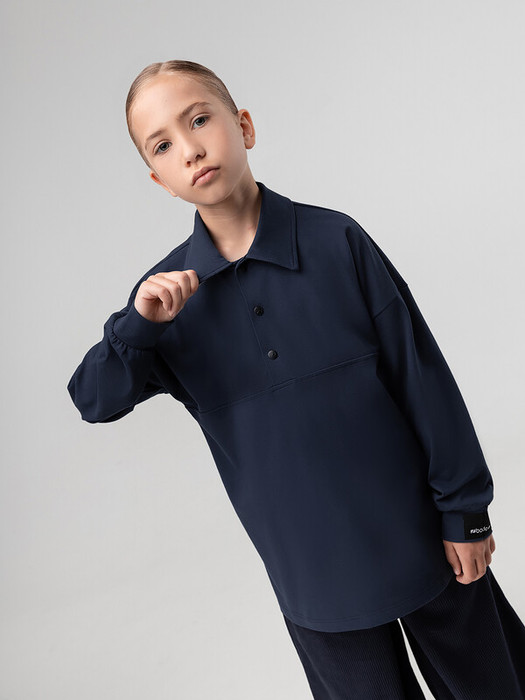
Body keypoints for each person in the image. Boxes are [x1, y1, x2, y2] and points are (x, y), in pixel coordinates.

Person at [67, 60, 525, 699]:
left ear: (244, 127)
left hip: (428, 543)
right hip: (313, 582)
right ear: (158, 180)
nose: (190, 149)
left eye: (199, 120)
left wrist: (466, 512)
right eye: (162, 145)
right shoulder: (165, 301)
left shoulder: (337, 241)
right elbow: (94, 400)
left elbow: (421, 376)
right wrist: (137, 326)